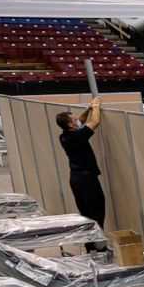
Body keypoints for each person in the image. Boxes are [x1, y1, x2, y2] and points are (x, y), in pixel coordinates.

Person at [55, 96, 107, 252]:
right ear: (70, 124)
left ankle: (90, 247)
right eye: (74, 119)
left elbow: (82, 121)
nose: (78, 120)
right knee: (96, 211)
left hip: (77, 179)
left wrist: (88, 108)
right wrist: (96, 106)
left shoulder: (65, 135)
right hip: (86, 180)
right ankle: (99, 247)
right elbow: (95, 121)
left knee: (86, 213)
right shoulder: (77, 136)